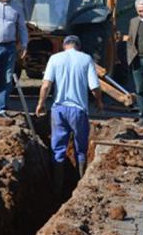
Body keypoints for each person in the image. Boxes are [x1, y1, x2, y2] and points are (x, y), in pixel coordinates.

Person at [35, 35, 104, 191]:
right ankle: (80, 185)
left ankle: (56, 188)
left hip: (58, 110)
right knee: (81, 148)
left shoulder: (55, 59)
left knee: (58, 148)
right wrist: (99, 101)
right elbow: (94, 87)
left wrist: (41, 103)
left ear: (65, 45)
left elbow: (46, 85)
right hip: (78, 111)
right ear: (78, 46)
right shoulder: (86, 59)